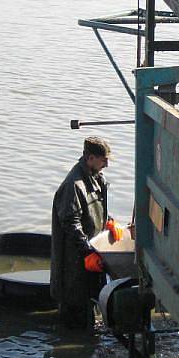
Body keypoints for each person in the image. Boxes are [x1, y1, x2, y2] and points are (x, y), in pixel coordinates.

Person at [50, 136, 124, 329]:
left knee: (92, 303)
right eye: (104, 160)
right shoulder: (73, 186)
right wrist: (87, 253)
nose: (107, 164)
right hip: (74, 261)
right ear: (90, 158)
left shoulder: (96, 178)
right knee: (76, 310)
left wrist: (109, 222)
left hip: (91, 257)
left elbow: (96, 209)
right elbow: (71, 223)